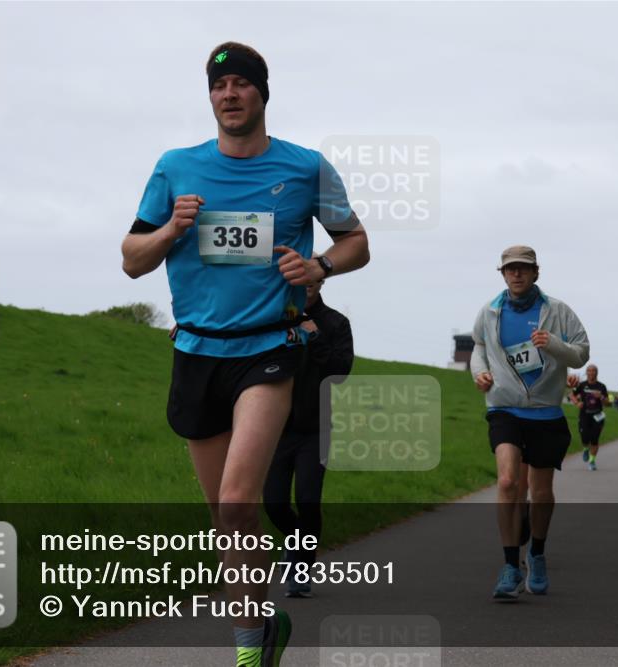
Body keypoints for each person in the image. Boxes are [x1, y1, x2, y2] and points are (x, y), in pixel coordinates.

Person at [121, 42, 369, 667]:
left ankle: (247, 654)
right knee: (227, 517)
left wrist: (320, 266)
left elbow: (357, 242)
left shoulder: (306, 167)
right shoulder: (176, 167)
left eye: (240, 83)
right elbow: (131, 261)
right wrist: (171, 229)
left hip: (269, 347)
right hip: (196, 350)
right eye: (218, 85)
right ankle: (262, 622)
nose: (228, 94)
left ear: (262, 92)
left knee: (237, 500)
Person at [471, 245, 589, 600]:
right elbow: (479, 347)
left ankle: (536, 553)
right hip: (504, 408)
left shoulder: (558, 311)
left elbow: (581, 353)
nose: (517, 274)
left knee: (540, 492)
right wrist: (480, 373)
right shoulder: (490, 311)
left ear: (536, 272)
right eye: (511, 269)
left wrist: (553, 344)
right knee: (508, 481)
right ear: (503, 274)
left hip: (545, 411)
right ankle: (510, 566)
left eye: (523, 268)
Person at [263, 277, 353, 598]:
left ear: (320, 281)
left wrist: (315, 337)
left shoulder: (336, 323)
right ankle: (296, 542)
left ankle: (301, 570)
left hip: (316, 428)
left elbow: (340, 373)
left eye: (312, 279)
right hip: (276, 427)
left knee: (308, 500)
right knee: (274, 503)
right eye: (300, 281)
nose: (307, 285)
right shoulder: (273, 318)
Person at [570, 365, 611, 471]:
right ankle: (585, 449)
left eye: (593, 371)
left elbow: (608, 403)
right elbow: (572, 395)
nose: (591, 372)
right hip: (584, 415)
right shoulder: (582, 385)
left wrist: (601, 397)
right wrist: (577, 403)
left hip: (598, 415)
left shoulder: (601, 386)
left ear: (596, 373)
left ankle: (592, 461)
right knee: (584, 437)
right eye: (589, 370)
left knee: (594, 439)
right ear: (586, 373)